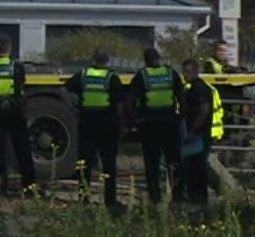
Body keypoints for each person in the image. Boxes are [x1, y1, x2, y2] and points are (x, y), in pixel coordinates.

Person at [63, 48, 124, 207]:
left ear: (93, 59)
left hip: (87, 123)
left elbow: (64, 90)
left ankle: (84, 199)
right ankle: (110, 201)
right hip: (108, 124)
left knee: (85, 164)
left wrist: (73, 108)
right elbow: (119, 104)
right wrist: (122, 124)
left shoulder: (83, 75)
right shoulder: (112, 77)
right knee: (109, 164)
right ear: (107, 60)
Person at [0, 35, 36, 195]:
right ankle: (29, 186)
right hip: (14, 112)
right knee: (22, 150)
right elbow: (22, 84)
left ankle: (1, 186)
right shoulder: (16, 66)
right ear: (9, 49)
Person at [129, 46, 185, 204]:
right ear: (159, 58)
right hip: (170, 123)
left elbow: (129, 101)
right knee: (173, 161)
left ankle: (155, 197)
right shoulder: (170, 73)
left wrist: (134, 121)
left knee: (152, 163)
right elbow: (181, 97)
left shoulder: (142, 75)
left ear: (145, 60)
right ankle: (178, 195)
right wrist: (180, 117)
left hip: (150, 125)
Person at [180, 59, 214, 205]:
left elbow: (204, 111)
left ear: (194, 71)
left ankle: (199, 198)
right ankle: (194, 197)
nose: (184, 75)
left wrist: (194, 130)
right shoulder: (192, 88)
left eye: (187, 72)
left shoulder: (200, 88)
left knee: (197, 167)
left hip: (199, 135)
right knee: (191, 167)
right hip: (193, 134)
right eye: (183, 72)